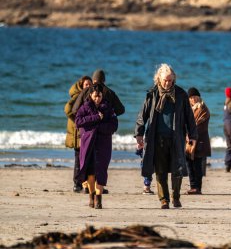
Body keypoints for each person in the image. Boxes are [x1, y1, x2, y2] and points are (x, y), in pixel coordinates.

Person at [135, 63, 197, 209]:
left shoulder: (181, 95)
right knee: (160, 170)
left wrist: (192, 135)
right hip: (157, 138)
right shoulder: (152, 94)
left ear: (174, 79)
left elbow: (189, 117)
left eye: (170, 80)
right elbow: (142, 116)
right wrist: (139, 134)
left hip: (176, 138)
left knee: (177, 170)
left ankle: (176, 197)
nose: (168, 83)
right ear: (158, 79)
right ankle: (164, 199)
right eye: (165, 80)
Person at [72, 69, 125, 194]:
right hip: (104, 134)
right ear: (105, 80)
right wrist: (108, 116)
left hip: (87, 134)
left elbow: (75, 111)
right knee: (101, 162)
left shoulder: (86, 91)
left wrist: (86, 123)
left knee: (85, 160)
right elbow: (121, 110)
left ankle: (86, 186)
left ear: (93, 79)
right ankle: (97, 188)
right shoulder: (110, 93)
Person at [75, 84, 118, 209]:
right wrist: (96, 118)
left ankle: (99, 200)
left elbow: (114, 125)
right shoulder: (85, 106)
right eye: (95, 96)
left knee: (101, 171)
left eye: (99, 96)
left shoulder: (108, 108)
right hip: (88, 145)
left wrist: (98, 128)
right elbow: (78, 121)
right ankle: (91, 197)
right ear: (90, 95)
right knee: (90, 172)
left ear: (102, 95)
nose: (97, 98)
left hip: (103, 145)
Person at [64, 76, 92, 193]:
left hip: (83, 132)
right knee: (78, 159)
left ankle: (84, 184)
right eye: (86, 85)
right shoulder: (77, 96)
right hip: (77, 133)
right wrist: (78, 119)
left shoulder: (88, 97)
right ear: (81, 86)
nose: (89, 87)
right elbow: (67, 109)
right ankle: (77, 184)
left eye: (90, 84)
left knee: (85, 159)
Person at [185, 87, 211, 194]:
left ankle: (197, 188)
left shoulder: (203, 109)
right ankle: (193, 186)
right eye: (191, 98)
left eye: (194, 97)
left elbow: (201, 126)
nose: (193, 100)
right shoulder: (188, 109)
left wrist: (190, 134)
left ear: (199, 97)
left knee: (197, 164)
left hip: (200, 140)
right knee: (189, 164)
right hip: (189, 142)